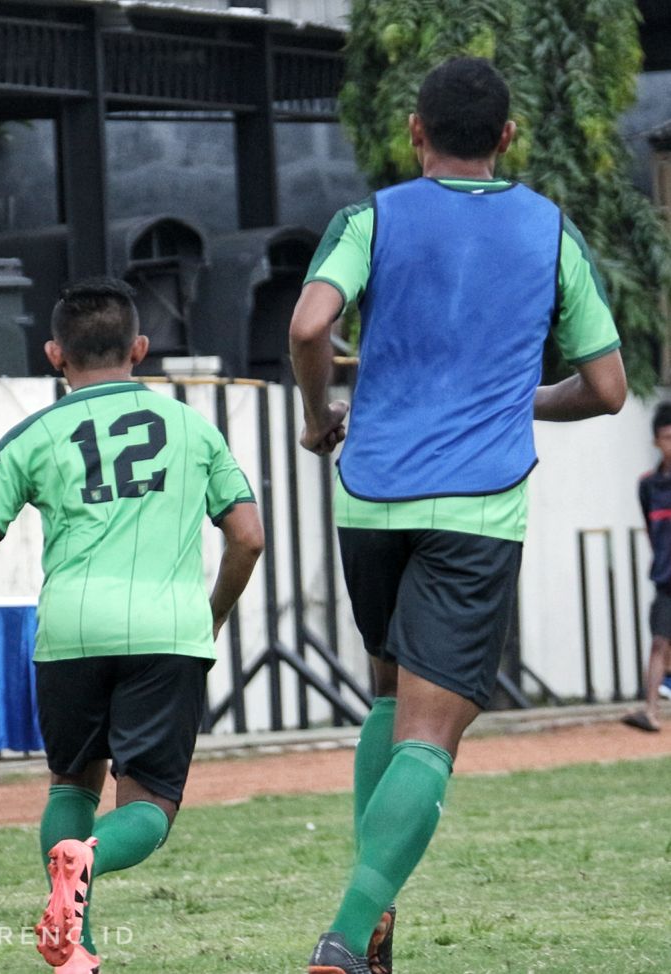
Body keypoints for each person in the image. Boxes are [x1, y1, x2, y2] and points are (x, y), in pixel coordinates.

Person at [290, 57, 626, 974]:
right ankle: (347, 936)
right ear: (508, 137)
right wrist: (520, 399)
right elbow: (608, 388)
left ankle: (379, 916)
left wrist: (320, 416)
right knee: (433, 735)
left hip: (370, 497)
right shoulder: (549, 228)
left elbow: (310, 326)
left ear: (415, 132)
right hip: (475, 507)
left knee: (391, 696)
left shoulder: (370, 219)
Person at [0, 278, 264, 974]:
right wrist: (209, 615)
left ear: (55, 353)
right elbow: (248, 537)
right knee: (150, 807)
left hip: (70, 633)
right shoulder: (192, 427)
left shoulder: (30, 435)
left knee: (71, 783)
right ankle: (87, 858)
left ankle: (75, 951)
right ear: (140, 349)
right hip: (167, 632)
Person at [623, 402, 671, 733]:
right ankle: (650, 711)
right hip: (666, 578)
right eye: (667, 437)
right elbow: (651, 530)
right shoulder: (648, 486)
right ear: (656, 441)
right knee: (658, 641)